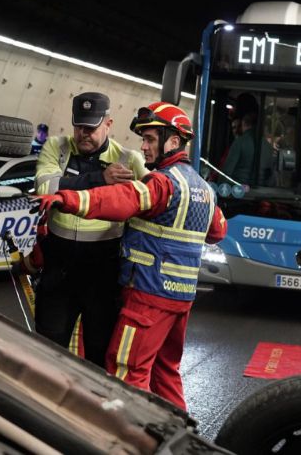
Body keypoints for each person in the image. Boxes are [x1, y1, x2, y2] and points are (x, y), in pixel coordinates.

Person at [31, 102, 227, 410]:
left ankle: (126, 440)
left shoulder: (162, 182)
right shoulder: (203, 189)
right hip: (181, 300)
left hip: (148, 295)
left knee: (125, 370)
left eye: (150, 139)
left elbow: (121, 200)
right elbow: (217, 231)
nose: (144, 147)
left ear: (172, 141)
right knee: (165, 374)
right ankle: (180, 436)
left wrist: (66, 198)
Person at [33, 92, 147, 368]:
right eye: (79, 126)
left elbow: (152, 199)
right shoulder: (56, 148)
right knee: (47, 352)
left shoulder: (128, 160)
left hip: (102, 274)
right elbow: (45, 189)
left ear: (108, 124)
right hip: (58, 271)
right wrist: (100, 179)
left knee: (99, 355)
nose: (84, 133)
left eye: (92, 128)